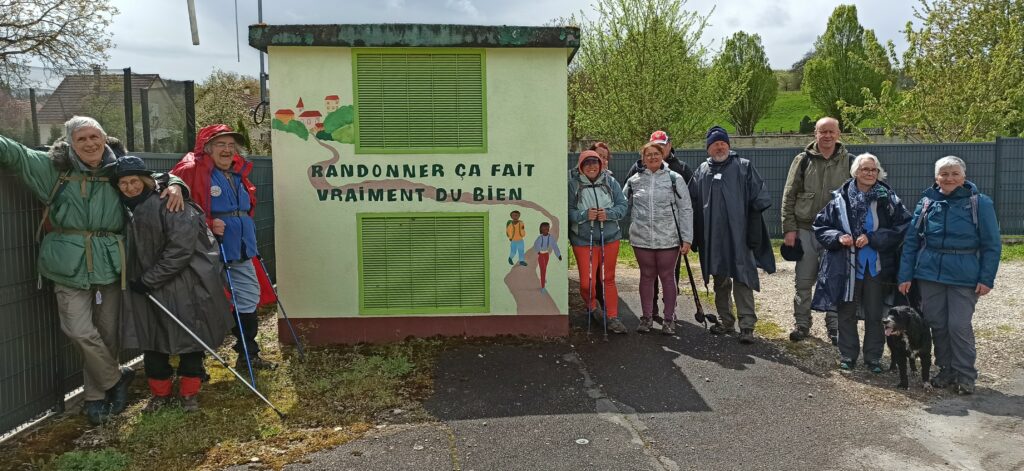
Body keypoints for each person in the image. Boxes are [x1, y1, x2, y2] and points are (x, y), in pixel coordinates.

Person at [0, 116, 184, 425]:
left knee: (107, 333)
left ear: (104, 137)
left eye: (94, 136)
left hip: (111, 262)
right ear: (70, 143)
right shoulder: (53, 168)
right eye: (81, 138)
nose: (89, 143)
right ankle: (115, 378)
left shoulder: (118, 168)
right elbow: (14, 152)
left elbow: (158, 177)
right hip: (67, 264)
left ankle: (96, 397)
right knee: (79, 330)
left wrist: (177, 185)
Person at [114, 156, 233, 412]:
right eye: (123, 183)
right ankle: (160, 395)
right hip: (148, 288)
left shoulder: (169, 202)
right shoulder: (126, 207)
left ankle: (189, 394)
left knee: (190, 341)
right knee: (153, 342)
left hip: (183, 286)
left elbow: (180, 249)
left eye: (134, 181)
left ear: (145, 180)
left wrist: (149, 279)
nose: (129, 187)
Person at [171, 124, 278, 370]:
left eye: (231, 145)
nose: (227, 150)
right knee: (201, 303)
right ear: (207, 148)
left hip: (241, 249)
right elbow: (176, 210)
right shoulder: (191, 169)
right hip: (205, 249)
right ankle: (194, 367)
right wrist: (208, 224)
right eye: (221, 144)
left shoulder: (238, 171)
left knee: (248, 298)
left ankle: (248, 355)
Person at [898, 156, 1000, 395]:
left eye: (955, 173)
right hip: (929, 274)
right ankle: (946, 370)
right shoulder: (926, 202)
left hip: (964, 275)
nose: (949, 178)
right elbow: (911, 241)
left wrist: (986, 278)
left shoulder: (980, 203)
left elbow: (992, 244)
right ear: (936, 177)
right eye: (944, 174)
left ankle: (965, 375)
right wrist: (905, 275)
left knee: (958, 325)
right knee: (937, 325)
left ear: (964, 177)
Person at [811, 154, 911, 372]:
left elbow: (903, 226)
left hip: (876, 266)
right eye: (865, 169)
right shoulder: (840, 199)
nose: (870, 173)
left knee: (876, 314)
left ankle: (873, 357)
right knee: (846, 312)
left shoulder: (888, 199)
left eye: (874, 170)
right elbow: (820, 226)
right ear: (855, 172)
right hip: (846, 266)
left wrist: (873, 238)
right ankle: (848, 355)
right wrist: (839, 237)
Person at [692, 126, 774, 344]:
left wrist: (754, 229)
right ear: (708, 149)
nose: (719, 147)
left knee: (742, 277)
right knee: (719, 278)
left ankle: (747, 325)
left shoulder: (744, 167)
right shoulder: (702, 171)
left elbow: (759, 199)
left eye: (722, 143)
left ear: (728, 145)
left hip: (740, 236)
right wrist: (695, 235)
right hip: (713, 237)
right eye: (715, 144)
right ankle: (726, 320)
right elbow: (692, 203)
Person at [781, 117, 849, 344]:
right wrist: (789, 229)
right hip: (805, 230)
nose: (827, 136)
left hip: (835, 233)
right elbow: (789, 195)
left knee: (834, 281)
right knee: (803, 281)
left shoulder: (850, 161)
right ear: (815, 134)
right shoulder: (802, 161)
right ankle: (802, 324)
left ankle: (834, 327)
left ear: (838, 134)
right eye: (823, 132)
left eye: (831, 131)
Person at [625, 130, 700, 321]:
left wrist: (687, 238)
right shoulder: (634, 178)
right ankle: (648, 316)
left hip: (668, 238)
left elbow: (686, 208)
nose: (653, 157)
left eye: (657, 152)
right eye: (649, 154)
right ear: (643, 157)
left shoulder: (676, 177)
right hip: (642, 238)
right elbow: (620, 203)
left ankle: (669, 317)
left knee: (668, 276)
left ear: (665, 150)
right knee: (646, 276)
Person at [568, 149, 629, 334]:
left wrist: (608, 214)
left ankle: (612, 317)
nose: (591, 166)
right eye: (587, 163)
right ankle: (592, 306)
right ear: (581, 166)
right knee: (586, 283)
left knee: (608, 278)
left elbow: (623, 206)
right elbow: (567, 211)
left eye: (594, 163)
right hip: (583, 240)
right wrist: (583, 215)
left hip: (610, 237)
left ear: (600, 165)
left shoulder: (610, 182)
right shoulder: (573, 185)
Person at [532, 222, 562, 292]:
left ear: (548, 229)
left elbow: (555, 246)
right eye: (543, 229)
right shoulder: (540, 238)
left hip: (546, 255)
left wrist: (558, 255)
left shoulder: (550, 238)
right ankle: (543, 287)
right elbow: (535, 245)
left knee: (544, 269)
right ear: (541, 230)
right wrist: (538, 251)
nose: (545, 230)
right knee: (543, 270)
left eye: (547, 228)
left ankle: (543, 278)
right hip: (541, 255)